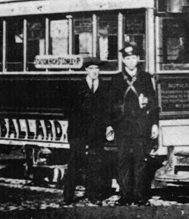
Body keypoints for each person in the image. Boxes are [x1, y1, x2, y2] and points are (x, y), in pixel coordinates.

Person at [108, 43, 159, 206]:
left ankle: (140, 196)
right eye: (127, 58)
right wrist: (110, 125)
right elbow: (109, 104)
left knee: (140, 161)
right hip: (122, 126)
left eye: (133, 58)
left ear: (138, 59)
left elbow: (153, 103)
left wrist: (154, 124)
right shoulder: (116, 79)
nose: (130, 61)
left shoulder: (145, 77)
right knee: (123, 160)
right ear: (123, 60)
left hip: (140, 126)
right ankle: (125, 195)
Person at [63, 57, 110, 205]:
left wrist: (106, 125)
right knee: (74, 163)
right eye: (91, 69)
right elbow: (68, 109)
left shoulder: (104, 86)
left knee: (96, 163)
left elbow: (108, 109)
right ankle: (68, 196)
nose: (94, 71)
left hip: (97, 132)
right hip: (78, 131)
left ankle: (94, 195)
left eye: (97, 69)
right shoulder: (77, 86)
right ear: (86, 70)